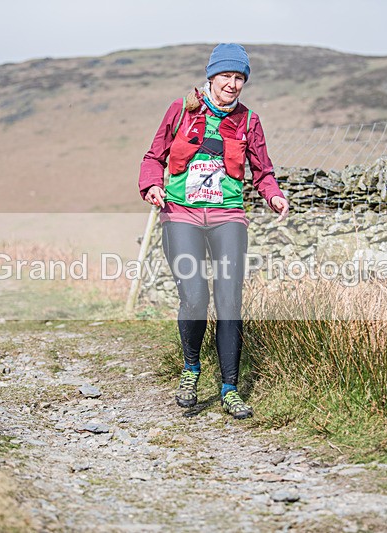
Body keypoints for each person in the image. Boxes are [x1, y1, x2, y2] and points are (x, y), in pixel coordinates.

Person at [138, 43, 289, 419]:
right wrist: (152, 185)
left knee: (228, 302)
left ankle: (230, 388)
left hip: (228, 216)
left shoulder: (250, 122)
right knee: (194, 297)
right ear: (212, 76)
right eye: (227, 76)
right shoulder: (181, 110)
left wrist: (273, 195)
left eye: (240, 78)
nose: (233, 84)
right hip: (181, 213)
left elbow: (263, 171)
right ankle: (190, 371)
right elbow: (153, 157)